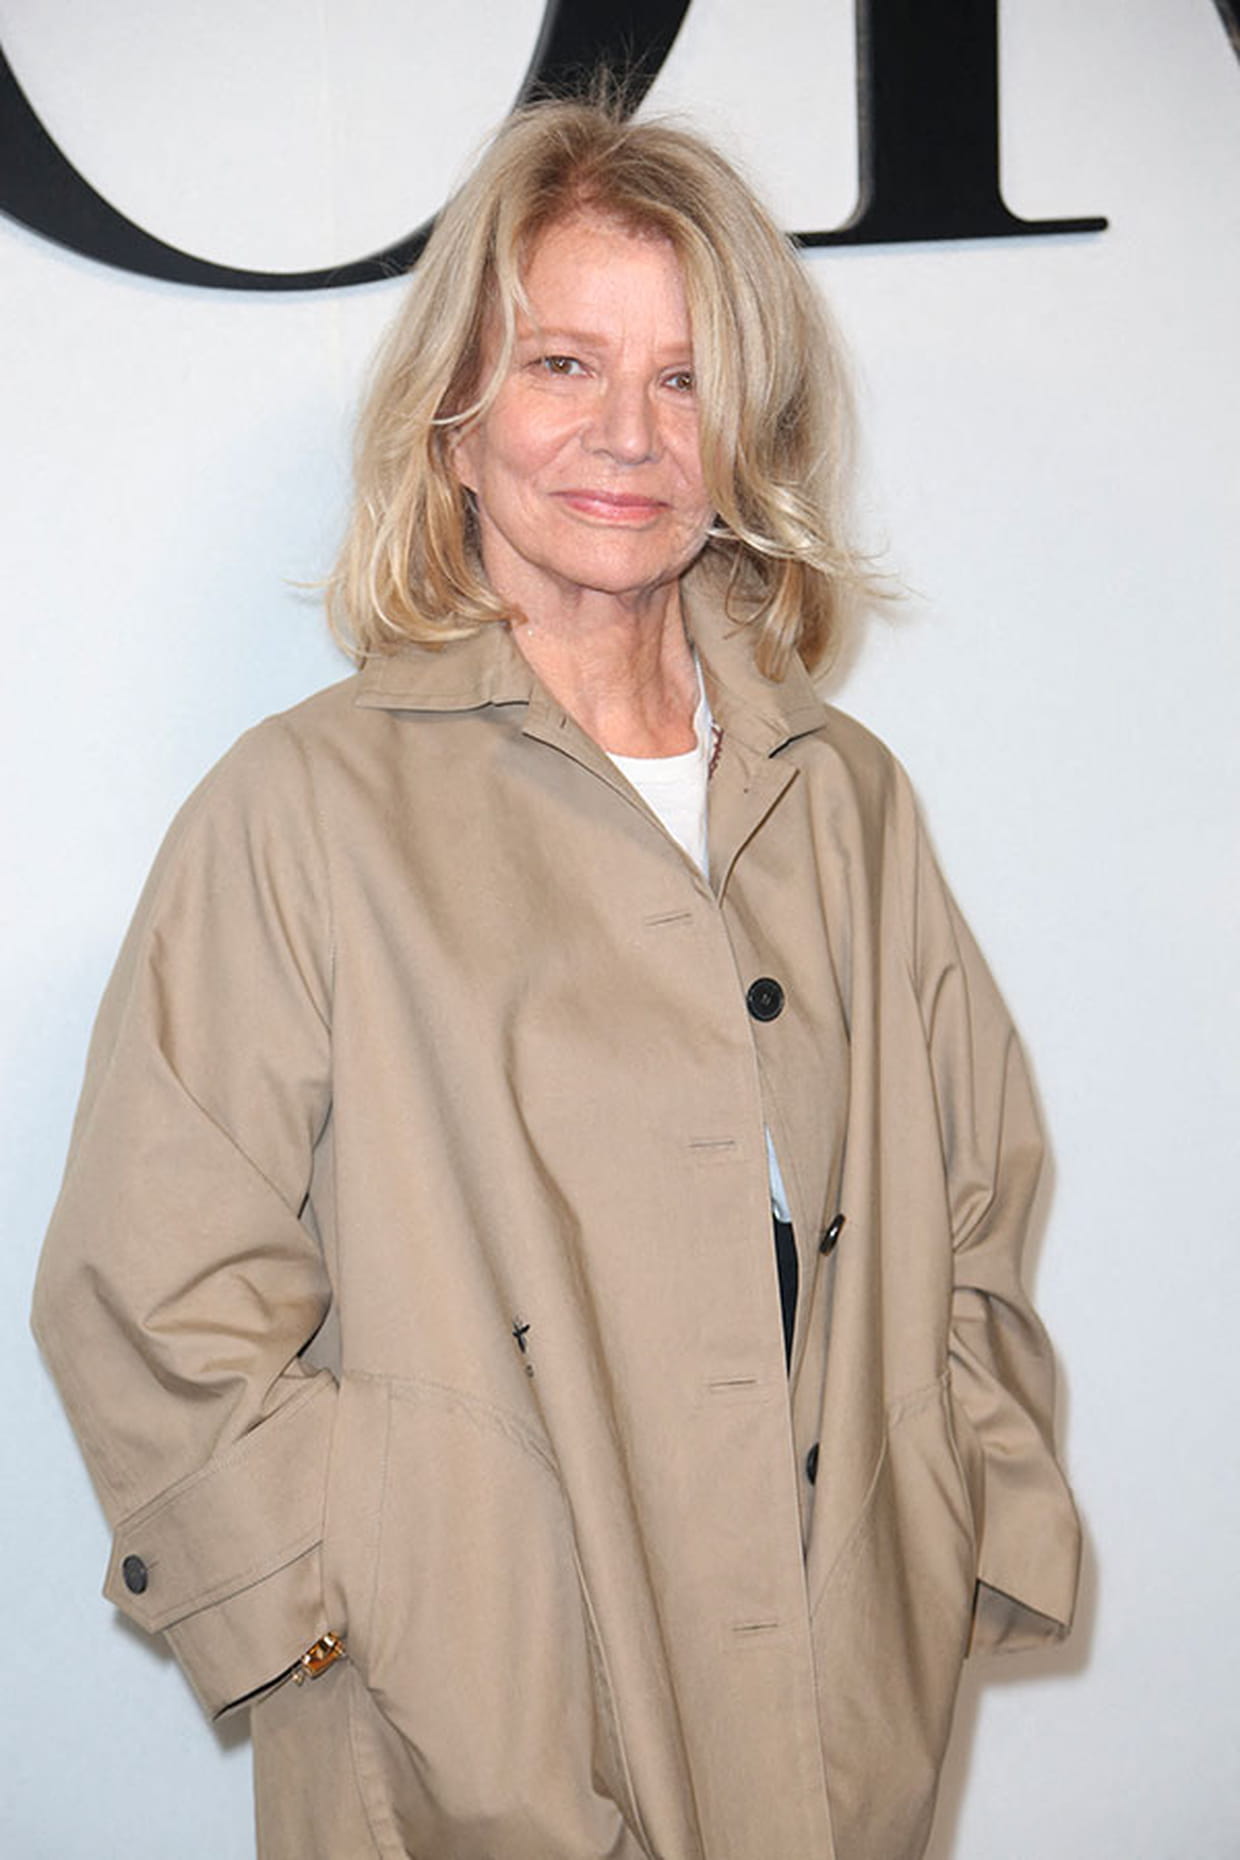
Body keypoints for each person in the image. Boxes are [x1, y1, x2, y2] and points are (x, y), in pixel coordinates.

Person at [32, 97, 1080, 1860]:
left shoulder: (846, 803)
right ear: (454, 416)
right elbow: (151, 1283)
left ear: (750, 429)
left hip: (836, 1719)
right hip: (468, 1745)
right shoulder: (305, 807)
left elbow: (974, 1207)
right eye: (564, 364)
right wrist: (366, 1615)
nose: (628, 436)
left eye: (686, 378)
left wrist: (953, 1524)